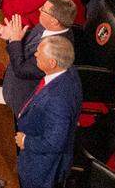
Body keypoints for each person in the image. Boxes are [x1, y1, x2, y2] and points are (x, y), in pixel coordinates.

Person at [14, 37, 82, 188]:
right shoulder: (67, 70)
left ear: (52, 63)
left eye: (39, 52)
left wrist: (26, 141)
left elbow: (54, 142)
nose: (35, 55)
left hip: (39, 165)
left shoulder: (58, 100)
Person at [0, 0, 76, 114]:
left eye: (43, 9)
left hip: (19, 101)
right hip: (10, 85)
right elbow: (26, 44)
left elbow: (22, 70)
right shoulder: (45, 25)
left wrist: (14, 41)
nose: (39, 9)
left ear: (54, 21)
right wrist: (11, 35)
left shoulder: (57, 50)